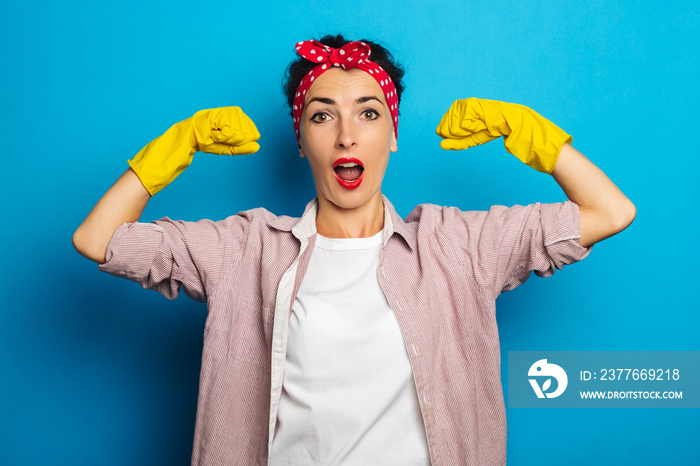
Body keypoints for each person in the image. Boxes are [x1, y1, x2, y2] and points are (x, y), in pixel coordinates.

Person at [73, 34, 635, 465]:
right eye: (322, 115)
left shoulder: (457, 245)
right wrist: (170, 152)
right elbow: (96, 241)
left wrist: (536, 136)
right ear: (301, 141)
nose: (347, 135)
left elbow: (610, 212)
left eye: (369, 113)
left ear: (391, 134)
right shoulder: (245, 248)